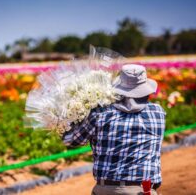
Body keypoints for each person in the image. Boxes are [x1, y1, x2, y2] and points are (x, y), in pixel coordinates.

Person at [62, 64, 166, 195]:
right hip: (143, 190)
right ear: (145, 90)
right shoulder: (158, 113)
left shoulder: (99, 113)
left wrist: (71, 117)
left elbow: (71, 140)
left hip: (106, 190)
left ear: (118, 91)